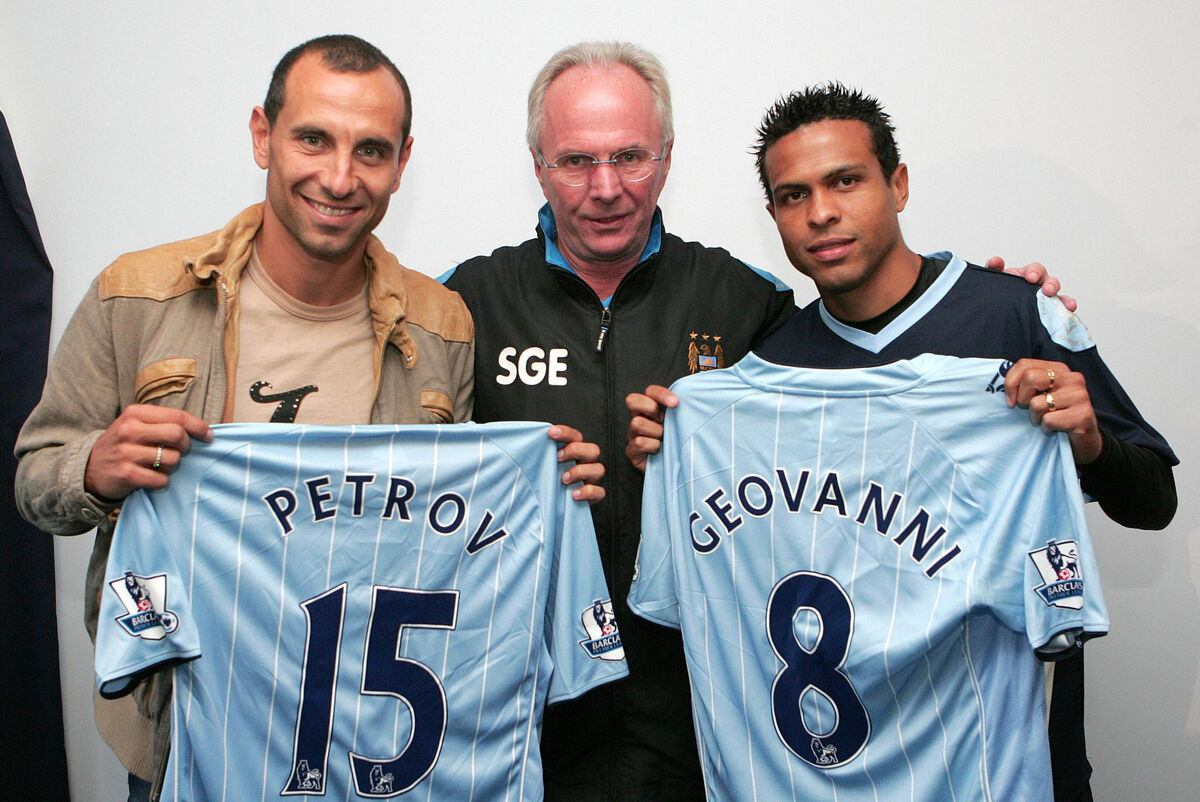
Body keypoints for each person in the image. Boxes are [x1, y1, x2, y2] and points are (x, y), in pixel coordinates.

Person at [443, 42, 1065, 801]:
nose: (605, 188)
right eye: (576, 161)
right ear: (538, 163)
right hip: (522, 716)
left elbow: (869, 420)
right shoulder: (459, 305)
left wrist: (995, 311)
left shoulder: (750, 302)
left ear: (668, 157)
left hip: (713, 723)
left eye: (631, 156)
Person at [14, 35, 598, 802]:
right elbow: (34, 473)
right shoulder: (138, 298)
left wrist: (544, 487)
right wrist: (93, 468)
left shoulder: (441, 325)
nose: (339, 177)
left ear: (403, 160)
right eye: (313, 139)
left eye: (371, 150)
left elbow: (451, 526)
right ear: (263, 135)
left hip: (373, 741)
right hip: (192, 738)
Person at [627, 82, 1177, 801]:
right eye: (793, 196)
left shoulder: (1014, 315)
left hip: (1000, 762)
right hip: (824, 760)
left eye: (845, 181)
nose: (821, 213)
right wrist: (678, 448)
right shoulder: (772, 363)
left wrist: (1088, 442)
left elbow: (1155, 502)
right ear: (773, 217)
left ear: (899, 184)